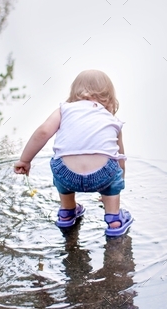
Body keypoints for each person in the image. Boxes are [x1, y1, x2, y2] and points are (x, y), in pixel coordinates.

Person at [14, 70, 134, 237]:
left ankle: (67, 211)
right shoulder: (112, 120)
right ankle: (114, 219)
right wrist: (120, 181)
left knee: (58, 161)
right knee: (113, 172)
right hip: (103, 176)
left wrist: (25, 160)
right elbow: (120, 157)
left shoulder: (64, 110)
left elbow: (43, 133)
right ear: (109, 96)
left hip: (67, 176)